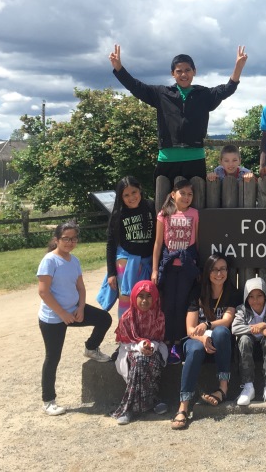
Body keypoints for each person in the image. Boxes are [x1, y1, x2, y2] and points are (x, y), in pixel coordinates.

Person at [109, 44, 248, 209]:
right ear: (172, 74)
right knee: (165, 207)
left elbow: (227, 89)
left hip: (194, 159)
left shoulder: (204, 95)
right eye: (179, 71)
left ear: (194, 72)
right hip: (167, 160)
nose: (184, 74)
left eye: (188, 70)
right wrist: (119, 68)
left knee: (196, 206)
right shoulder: (161, 94)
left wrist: (238, 67)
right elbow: (136, 87)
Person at [36, 221, 112, 416]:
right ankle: (48, 400)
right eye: (66, 238)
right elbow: (44, 292)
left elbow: (80, 287)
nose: (70, 242)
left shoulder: (74, 260)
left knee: (104, 318)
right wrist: (62, 314)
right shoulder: (49, 260)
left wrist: (80, 308)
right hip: (53, 317)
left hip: (73, 310)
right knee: (53, 357)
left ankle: (91, 348)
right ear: (57, 239)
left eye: (73, 239)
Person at [171, 253, 240, 429]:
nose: (219, 274)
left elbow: (227, 320)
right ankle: (184, 405)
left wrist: (208, 325)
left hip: (218, 341)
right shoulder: (198, 292)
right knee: (194, 350)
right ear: (208, 272)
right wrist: (202, 338)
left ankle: (222, 389)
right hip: (196, 339)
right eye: (215, 270)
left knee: (222, 332)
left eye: (223, 269)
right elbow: (190, 329)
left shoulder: (231, 291)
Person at [151, 178, 199, 364]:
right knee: (168, 305)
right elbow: (157, 243)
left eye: (190, 194)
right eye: (183, 193)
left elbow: (197, 242)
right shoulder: (164, 214)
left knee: (182, 304)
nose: (187, 197)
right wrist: (155, 270)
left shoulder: (194, 214)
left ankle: (178, 342)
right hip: (169, 266)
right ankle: (167, 340)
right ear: (173, 194)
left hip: (187, 266)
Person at [97, 176, 156, 320]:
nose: (131, 197)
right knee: (126, 297)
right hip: (126, 261)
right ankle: (125, 335)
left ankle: (144, 334)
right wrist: (111, 273)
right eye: (126, 195)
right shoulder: (118, 214)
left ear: (140, 190)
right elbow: (111, 244)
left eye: (134, 192)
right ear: (121, 197)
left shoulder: (151, 207)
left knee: (146, 298)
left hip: (147, 261)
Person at [111, 280, 170, 425]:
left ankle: (135, 406)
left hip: (154, 352)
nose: (145, 300)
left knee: (147, 360)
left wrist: (151, 347)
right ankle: (142, 404)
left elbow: (160, 340)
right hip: (131, 351)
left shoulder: (159, 317)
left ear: (155, 297)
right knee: (139, 360)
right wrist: (140, 346)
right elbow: (125, 343)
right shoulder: (127, 318)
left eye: (149, 296)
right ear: (134, 297)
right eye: (141, 296)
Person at [232, 276, 266, 406]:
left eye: (259, 296)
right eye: (251, 296)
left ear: (265, 296)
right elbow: (235, 328)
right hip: (248, 345)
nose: (255, 300)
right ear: (246, 297)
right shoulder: (242, 309)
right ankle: (248, 386)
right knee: (244, 339)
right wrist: (260, 329)